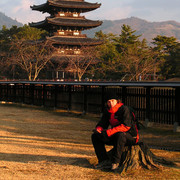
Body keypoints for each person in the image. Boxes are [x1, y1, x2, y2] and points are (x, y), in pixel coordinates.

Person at [91, 92, 139, 171]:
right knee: (95, 136)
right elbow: (102, 123)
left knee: (120, 135)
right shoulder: (108, 111)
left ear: (117, 101)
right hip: (116, 135)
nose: (111, 103)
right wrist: (98, 129)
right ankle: (104, 161)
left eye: (113, 101)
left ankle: (115, 163)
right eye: (109, 101)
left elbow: (126, 126)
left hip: (131, 137)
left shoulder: (124, 109)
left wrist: (109, 132)